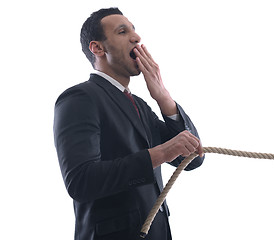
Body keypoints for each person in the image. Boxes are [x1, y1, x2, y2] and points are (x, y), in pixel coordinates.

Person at [53, 7, 205, 240]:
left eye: (134, 30)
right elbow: (81, 182)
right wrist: (159, 153)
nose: (136, 38)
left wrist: (163, 96)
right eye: (122, 31)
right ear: (98, 48)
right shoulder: (80, 98)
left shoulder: (141, 106)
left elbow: (192, 158)